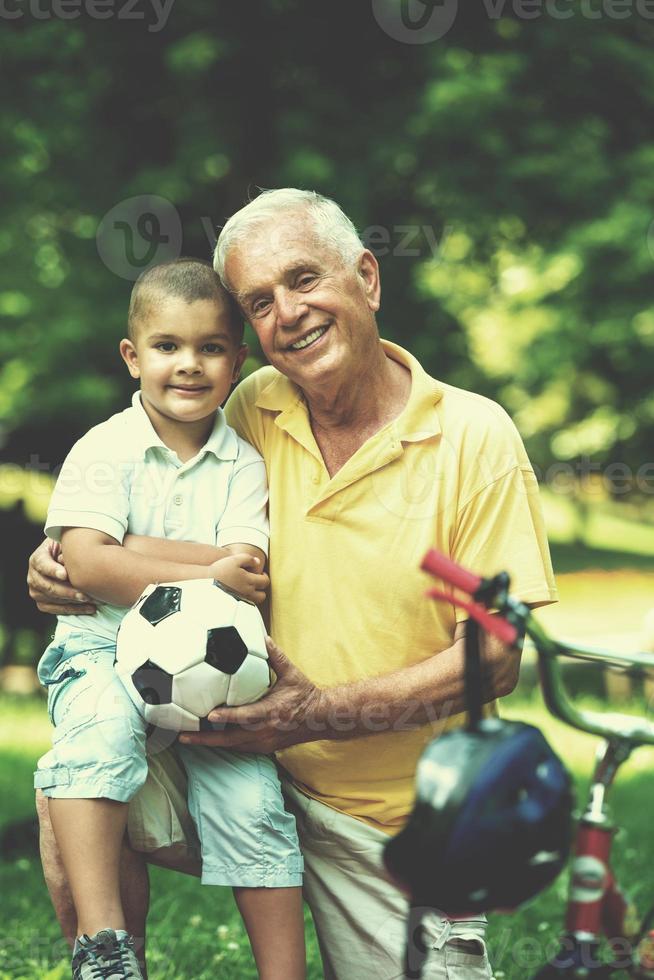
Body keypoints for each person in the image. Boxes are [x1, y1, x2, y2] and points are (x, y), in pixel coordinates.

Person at [29, 189, 558, 980]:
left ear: (368, 279)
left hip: (384, 825)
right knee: (75, 771)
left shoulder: (474, 438)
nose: (289, 313)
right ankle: (110, 959)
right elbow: (144, 492)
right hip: (230, 757)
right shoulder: (251, 407)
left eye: (305, 279)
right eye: (260, 301)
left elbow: (495, 660)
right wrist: (68, 556)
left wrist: (313, 714)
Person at [32, 258, 305, 980]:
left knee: (254, 801)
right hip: (96, 650)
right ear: (132, 356)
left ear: (238, 359)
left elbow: (244, 576)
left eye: (212, 347)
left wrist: (136, 550)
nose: (189, 365)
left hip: (215, 673)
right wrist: (204, 567)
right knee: (100, 736)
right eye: (167, 346)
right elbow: (87, 567)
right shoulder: (102, 450)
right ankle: (105, 946)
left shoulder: (243, 464)